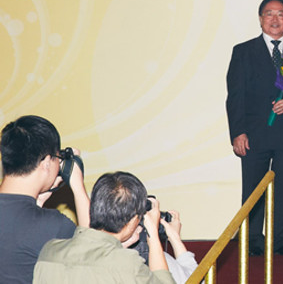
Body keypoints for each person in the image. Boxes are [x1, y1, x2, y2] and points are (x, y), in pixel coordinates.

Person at [226, 0, 283, 256]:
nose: (275, 19)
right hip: (253, 134)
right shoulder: (243, 51)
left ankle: (280, 241)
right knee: (253, 190)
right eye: (269, 14)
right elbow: (235, 95)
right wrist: (237, 132)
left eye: (281, 14)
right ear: (260, 18)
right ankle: (253, 240)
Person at [33, 171, 174, 284]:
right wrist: (153, 235)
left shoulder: (49, 252)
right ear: (132, 221)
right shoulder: (128, 264)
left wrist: (117, 247)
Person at [0, 115, 90, 284]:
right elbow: (97, 257)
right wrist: (78, 187)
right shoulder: (52, 226)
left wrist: (37, 203)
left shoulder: (39, 224)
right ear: (47, 162)